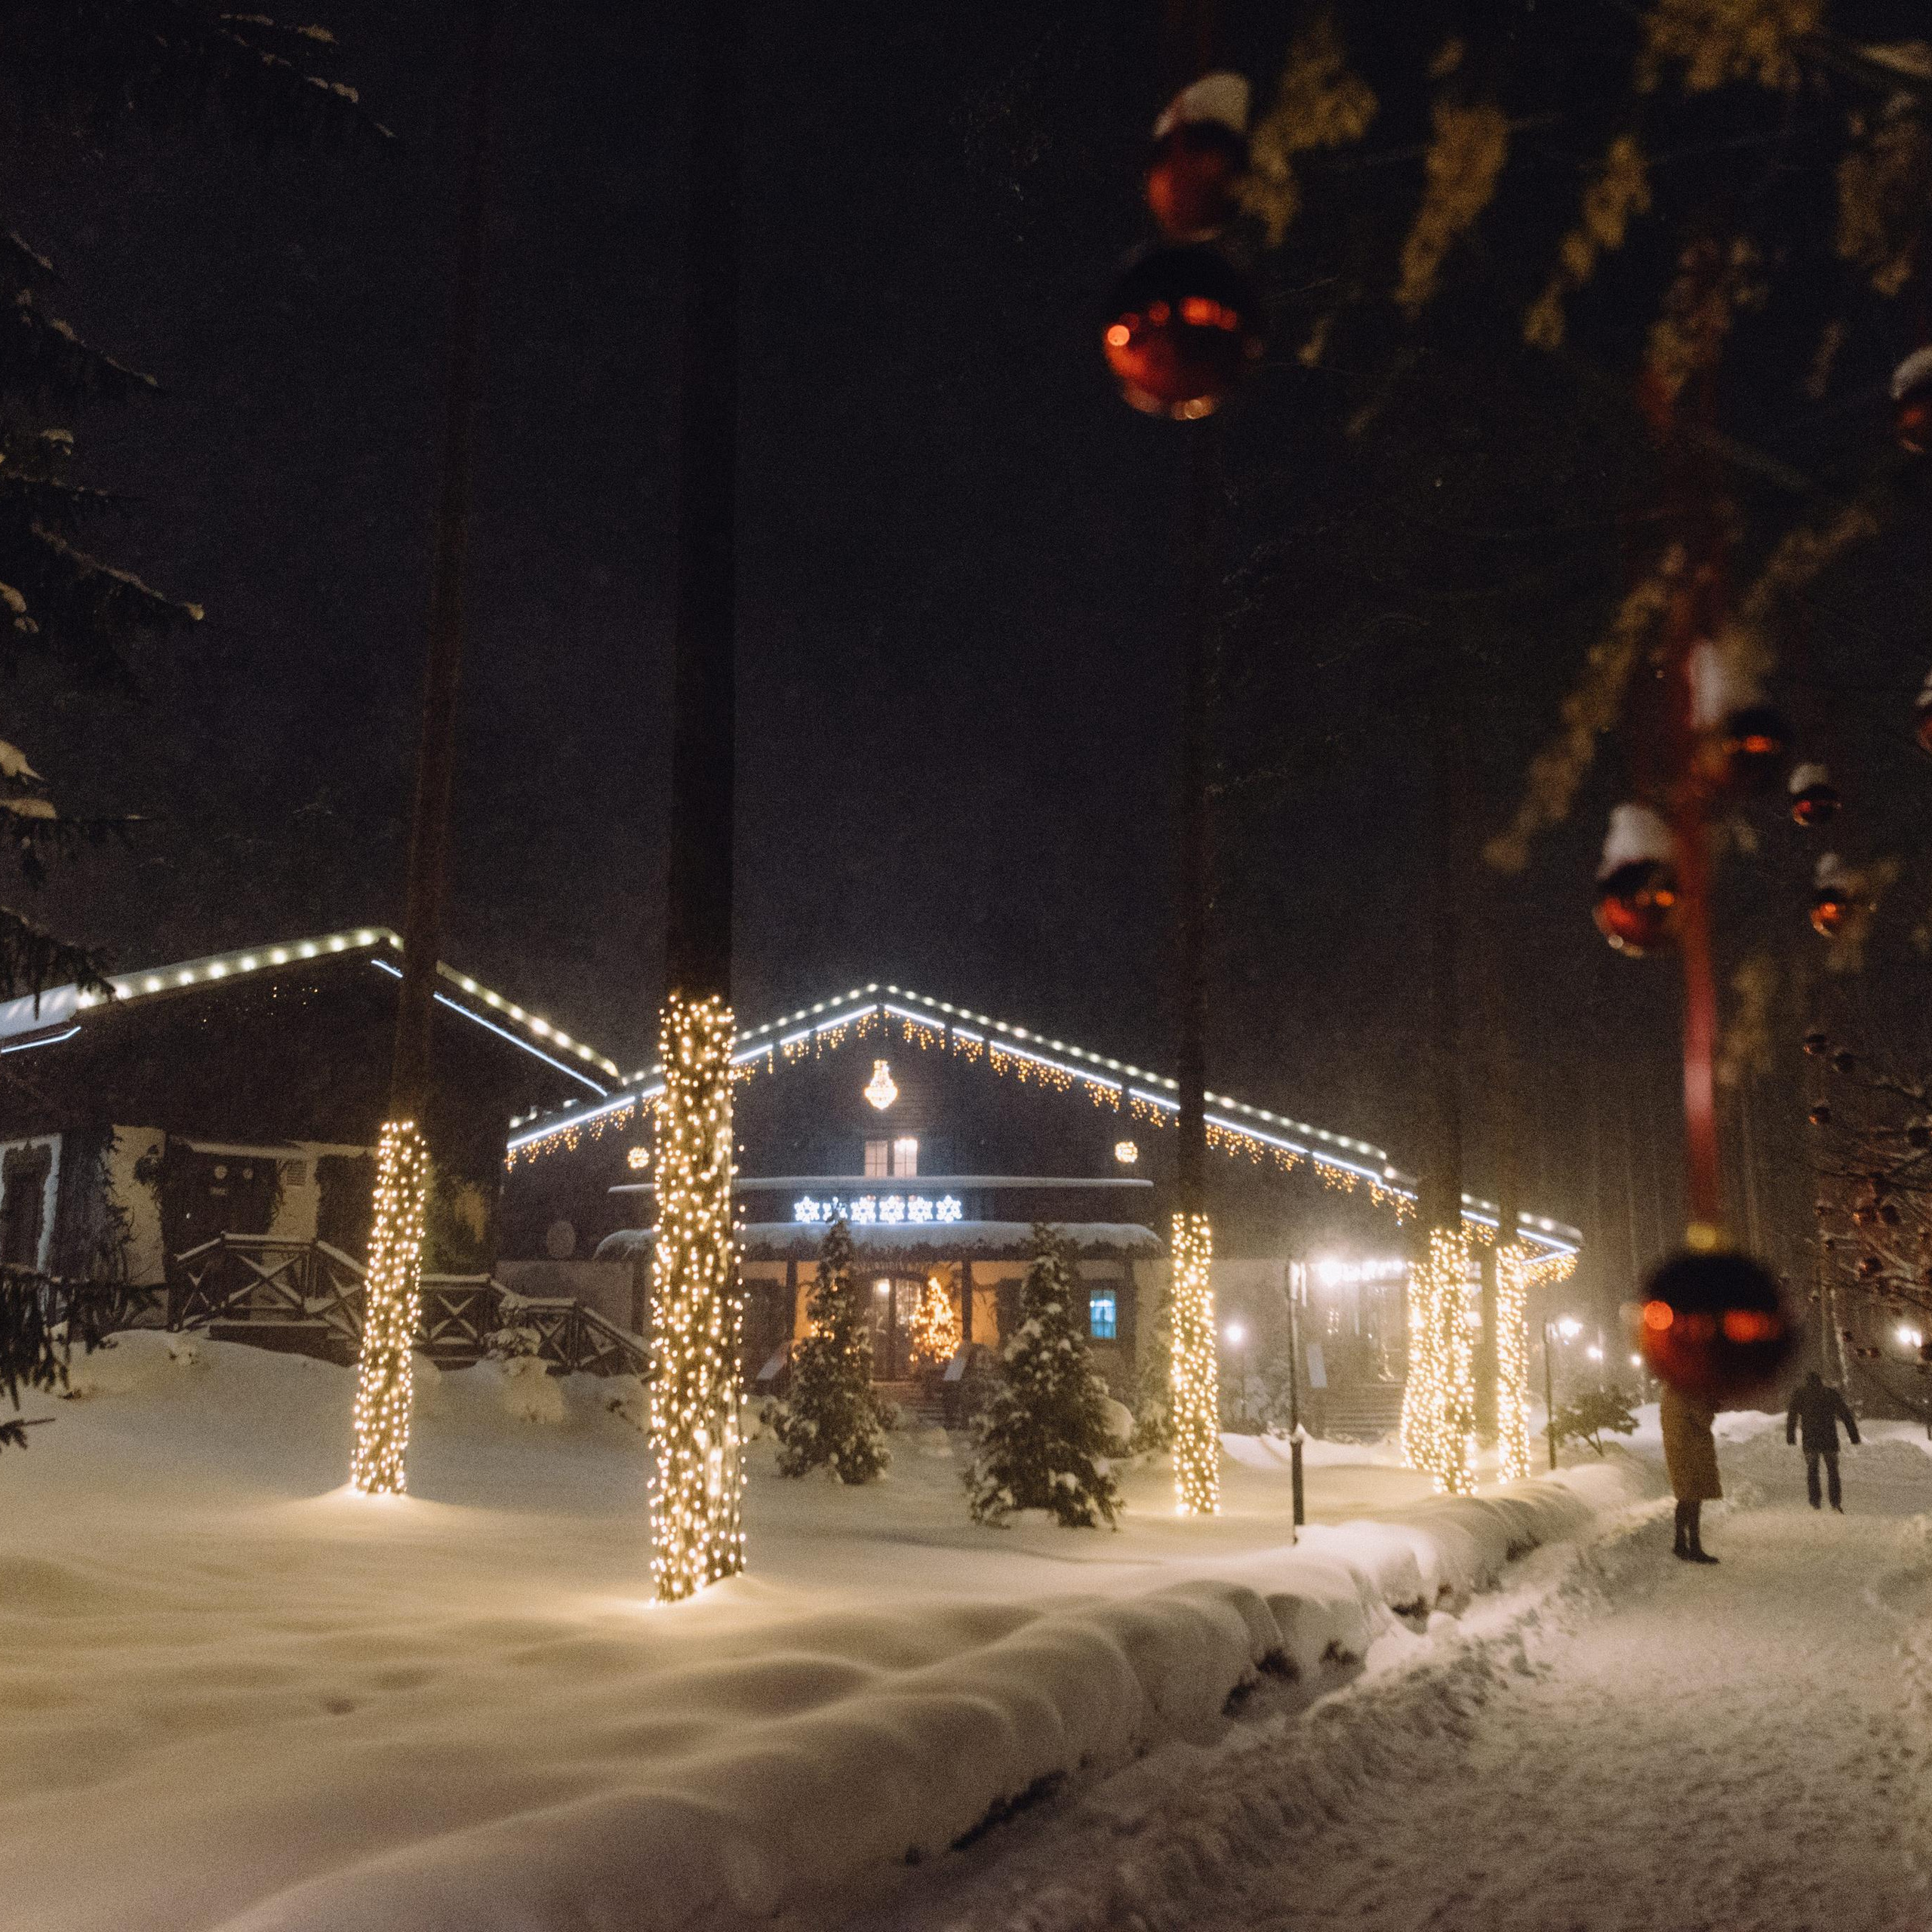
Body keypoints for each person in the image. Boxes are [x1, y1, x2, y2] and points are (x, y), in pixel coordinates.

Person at [1660, 1382, 1721, 1563]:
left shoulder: (1670, 1392)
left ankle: (1681, 1544)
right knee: (1693, 1498)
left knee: (1686, 1497)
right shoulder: (1687, 1392)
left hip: (1679, 1451)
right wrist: (1710, 1405)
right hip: (1692, 1452)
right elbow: (1703, 1419)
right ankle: (1694, 1547)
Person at [1786, 1368, 1860, 1512]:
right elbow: (1845, 1414)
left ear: (1807, 1382)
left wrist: (1791, 1437)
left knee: (1812, 1471)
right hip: (1829, 1439)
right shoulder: (1829, 1394)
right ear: (1820, 1381)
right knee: (1833, 1471)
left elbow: (1792, 1416)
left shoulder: (1800, 1394)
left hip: (1810, 1439)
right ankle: (1835, 1502)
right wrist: (1854, 1436)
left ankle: (1815, 1502)